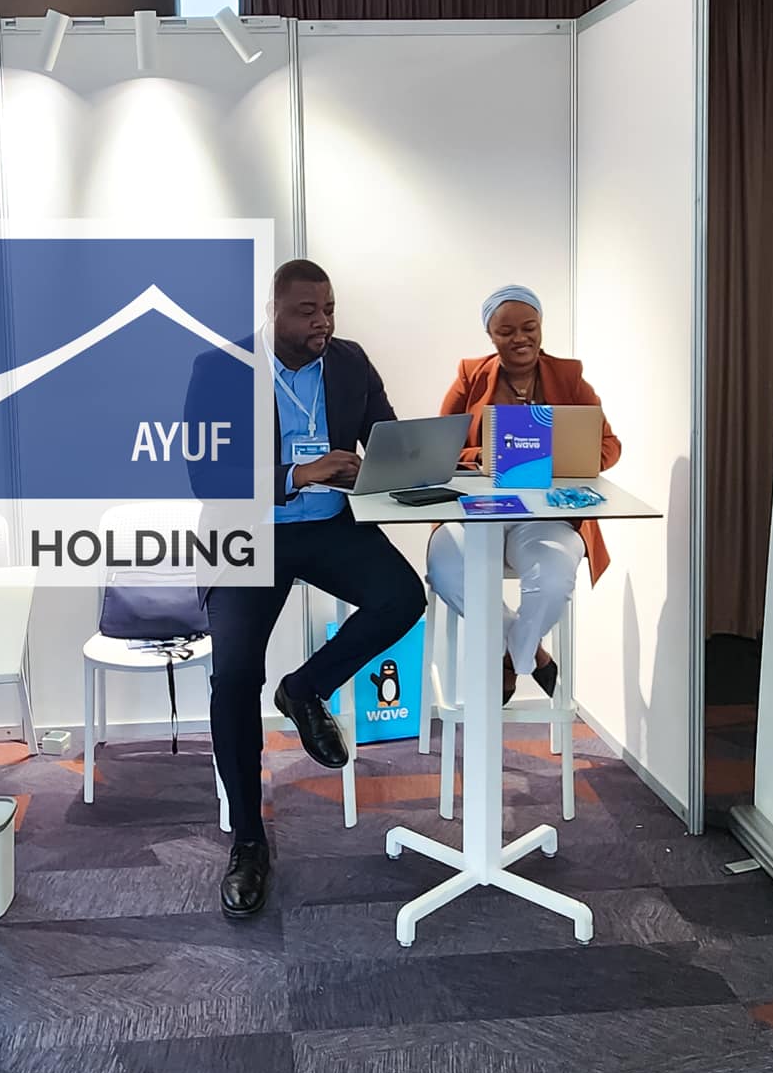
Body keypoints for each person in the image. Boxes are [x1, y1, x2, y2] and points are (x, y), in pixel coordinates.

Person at [199, 259, 425, 919]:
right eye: (306, 311)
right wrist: (300, 473)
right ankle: (248, 840)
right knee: (234, 675)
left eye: (328, 308)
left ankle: (304, 688)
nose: (322, 321)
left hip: (328, 526)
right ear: (272, 312)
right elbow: (208, 475)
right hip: (250, 533)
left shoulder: (349, 362)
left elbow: (387, 439)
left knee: (402, 596)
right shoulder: (221, 369)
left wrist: (385, 467)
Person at [430, 284, 621, 702]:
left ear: (541, 326)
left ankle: (508, 660)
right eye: (506, 331)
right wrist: (485, 455)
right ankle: (530, 653)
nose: (520, 339)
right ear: (490, 335)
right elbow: (437, 449)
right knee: (444, 566)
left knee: (552, 581)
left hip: (545, 515)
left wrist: (548, 455)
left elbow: (609, 447)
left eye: (529, 328)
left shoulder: (569, 378)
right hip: (476, 510)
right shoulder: (470, 376)